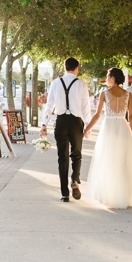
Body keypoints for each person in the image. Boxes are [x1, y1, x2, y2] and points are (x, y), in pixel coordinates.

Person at [84, 67, 132, 209]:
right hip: (123, 128)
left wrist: (87, 129)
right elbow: (131, 117)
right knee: (123, 162)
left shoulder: (104, 93)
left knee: (108, 161)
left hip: (109, 128)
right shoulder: (128, 94)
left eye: (107, 76)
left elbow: (97, 115)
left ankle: (109, 196)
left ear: (113, 78)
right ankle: (123, 196)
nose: (106, 78)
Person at [41, 57, 92, 202]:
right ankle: (74, 180)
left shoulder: (56, 83)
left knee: (62, 158)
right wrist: (88, 127)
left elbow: (49, 105)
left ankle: (64, 193)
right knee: (76, 154)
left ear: (65, 68)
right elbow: (86, 108)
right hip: (76, 122)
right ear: (77, 69)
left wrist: (44, 124)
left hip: (61, 121)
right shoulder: (81, 85)